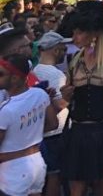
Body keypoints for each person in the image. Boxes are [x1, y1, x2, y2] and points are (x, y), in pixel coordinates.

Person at [62, 1, 103, 196]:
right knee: (77, 188)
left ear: (93, 34)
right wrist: (65, 97)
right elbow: (67, 102)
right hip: (79, 130)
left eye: (78, 33)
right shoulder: (73, 61)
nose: (74, 38)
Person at [0, 54, 59, 196]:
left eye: (1, 74)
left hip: (12, 173)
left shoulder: (6, 109)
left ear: (14, 78)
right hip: (37, 165)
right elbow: (53, 124)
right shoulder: (41, 94)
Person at [32, 32, 71, 196]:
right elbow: (59, 104)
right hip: (56, 133)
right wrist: (69, 99)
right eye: (63, 49)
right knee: (55, 175)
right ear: (55, 50)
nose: (65, 53)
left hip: (41, 132)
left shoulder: (34, 72)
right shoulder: (56, 75)